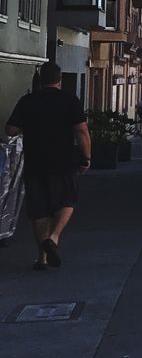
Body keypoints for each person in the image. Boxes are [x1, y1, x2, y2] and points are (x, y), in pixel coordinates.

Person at [4, 61, 90, 271]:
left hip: (35, 161)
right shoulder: (70, 100)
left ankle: (42, 258)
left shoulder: (28, 101)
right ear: (59, 80)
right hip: (63, 160)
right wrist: (86, 157)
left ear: (40, 80)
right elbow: (81, 131)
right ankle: (53, 237)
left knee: (39, 209)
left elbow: (11, 130)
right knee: (67, 200)